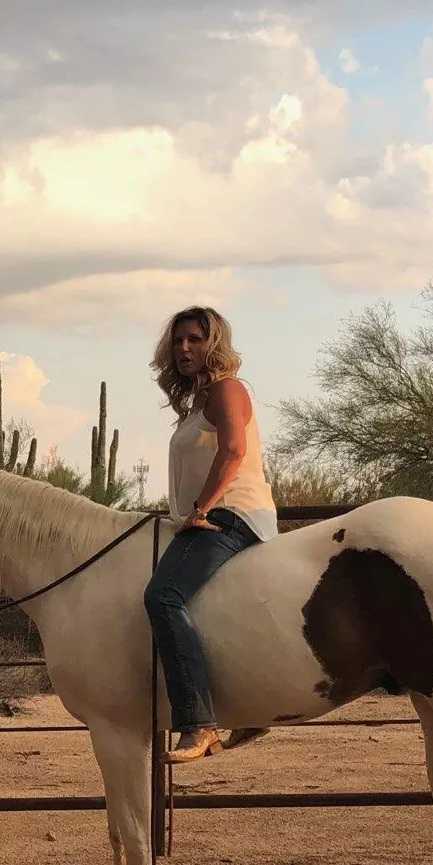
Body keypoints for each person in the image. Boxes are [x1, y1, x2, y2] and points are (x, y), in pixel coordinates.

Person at [143, 306, 278, 764]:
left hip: (232, 513)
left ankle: (197, 722)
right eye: (178, 340)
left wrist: (200, 510)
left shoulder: (227, 389)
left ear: (214, 344)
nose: (184, 348)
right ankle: (253, 704)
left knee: (163, 596)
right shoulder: (199, 403)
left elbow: (235, 450)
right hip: (210, 514)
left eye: (195, 339)